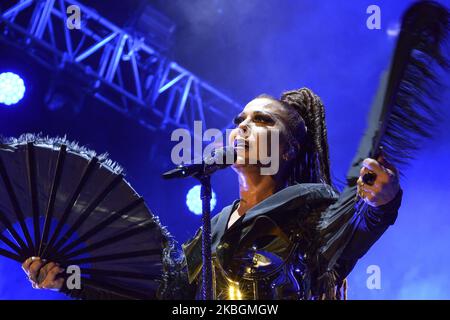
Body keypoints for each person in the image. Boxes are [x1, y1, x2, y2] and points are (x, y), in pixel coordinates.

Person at [22, 88, 402, 299]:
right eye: (240, 121)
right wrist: (70, 283)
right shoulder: (211, 230)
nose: (243, 127)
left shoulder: (313, 212)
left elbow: (360, 222)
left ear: (286, 151)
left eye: (262, 121)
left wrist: (382, 202)